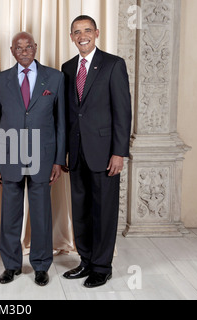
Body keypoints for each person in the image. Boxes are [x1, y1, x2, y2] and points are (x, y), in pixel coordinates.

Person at [0, 32, 66, 286]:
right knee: (10, 214)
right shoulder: (0, 80)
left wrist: (58, 160)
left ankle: (42, 265)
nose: (24, 50)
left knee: (42, 213)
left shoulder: (54, 78)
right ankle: (11, 265)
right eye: (19, 47)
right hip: (9, 156)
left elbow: (61, 123)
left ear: (36, 47)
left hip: (43, 158)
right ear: (12, 50)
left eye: (29, 46)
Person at [61, 15, 132, 288]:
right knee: (80, 210)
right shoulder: (67, 68)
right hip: (77, 152)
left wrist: (119, 153)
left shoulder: (114, 65)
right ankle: (86, 260)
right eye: (77, 32)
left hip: (105, 153)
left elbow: (122, 113)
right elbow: (69, 114)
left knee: (104, 210)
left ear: (97, 33)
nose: (82, 35)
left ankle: (102, 267)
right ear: (71, 37)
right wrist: (64, 152)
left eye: (87, 30)